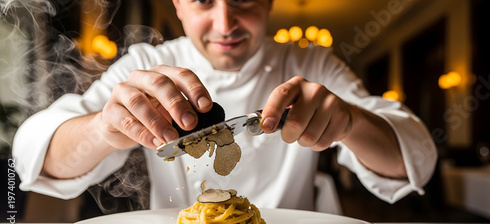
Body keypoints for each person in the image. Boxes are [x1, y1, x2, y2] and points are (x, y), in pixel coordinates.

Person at [13, 0, 437, 212]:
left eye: (243, 0)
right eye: (201, 0)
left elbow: (415, 158)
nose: (224, 24)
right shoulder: (144, 63)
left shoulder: (311, 62)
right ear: (177, 4)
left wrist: (351, 122)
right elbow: (34, 154)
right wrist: (102, 129)